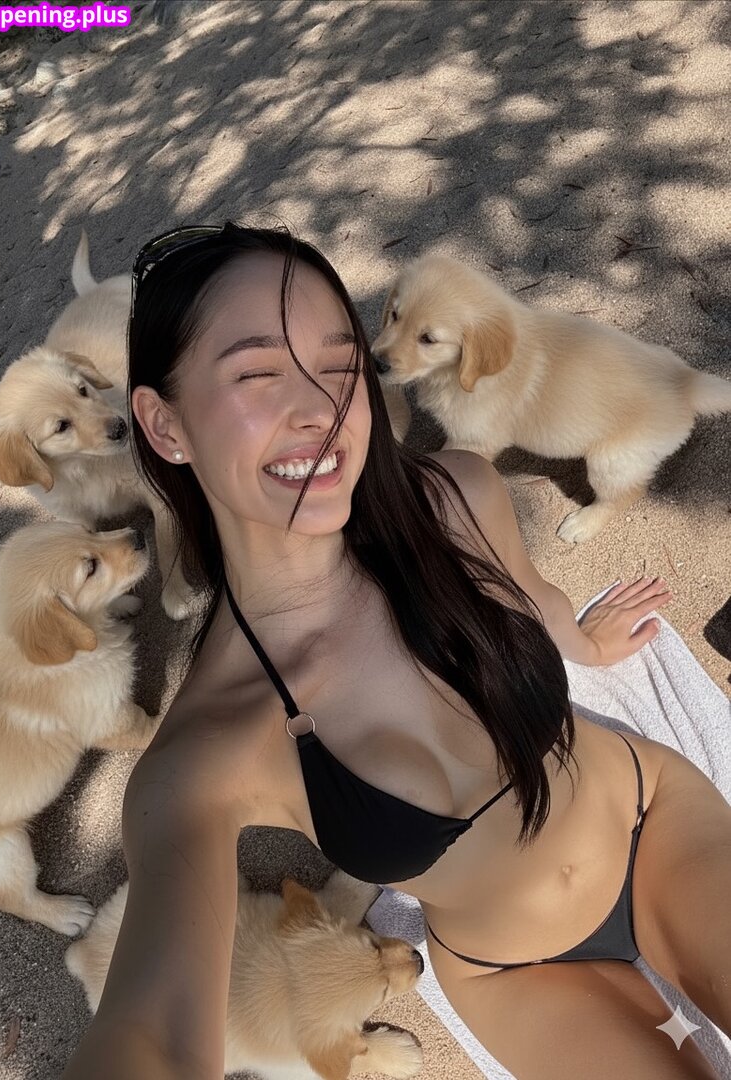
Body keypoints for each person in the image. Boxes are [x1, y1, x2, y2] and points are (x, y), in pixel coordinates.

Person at [62, 222, 731, 1080]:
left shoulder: (455, 499)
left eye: (340, 365)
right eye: (258, 374)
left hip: (650, 818)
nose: (320, 410)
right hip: (512, 966)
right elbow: (151, 1034)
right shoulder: (202, 758)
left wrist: (580, 644)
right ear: (164, 424)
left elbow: (532, 596)